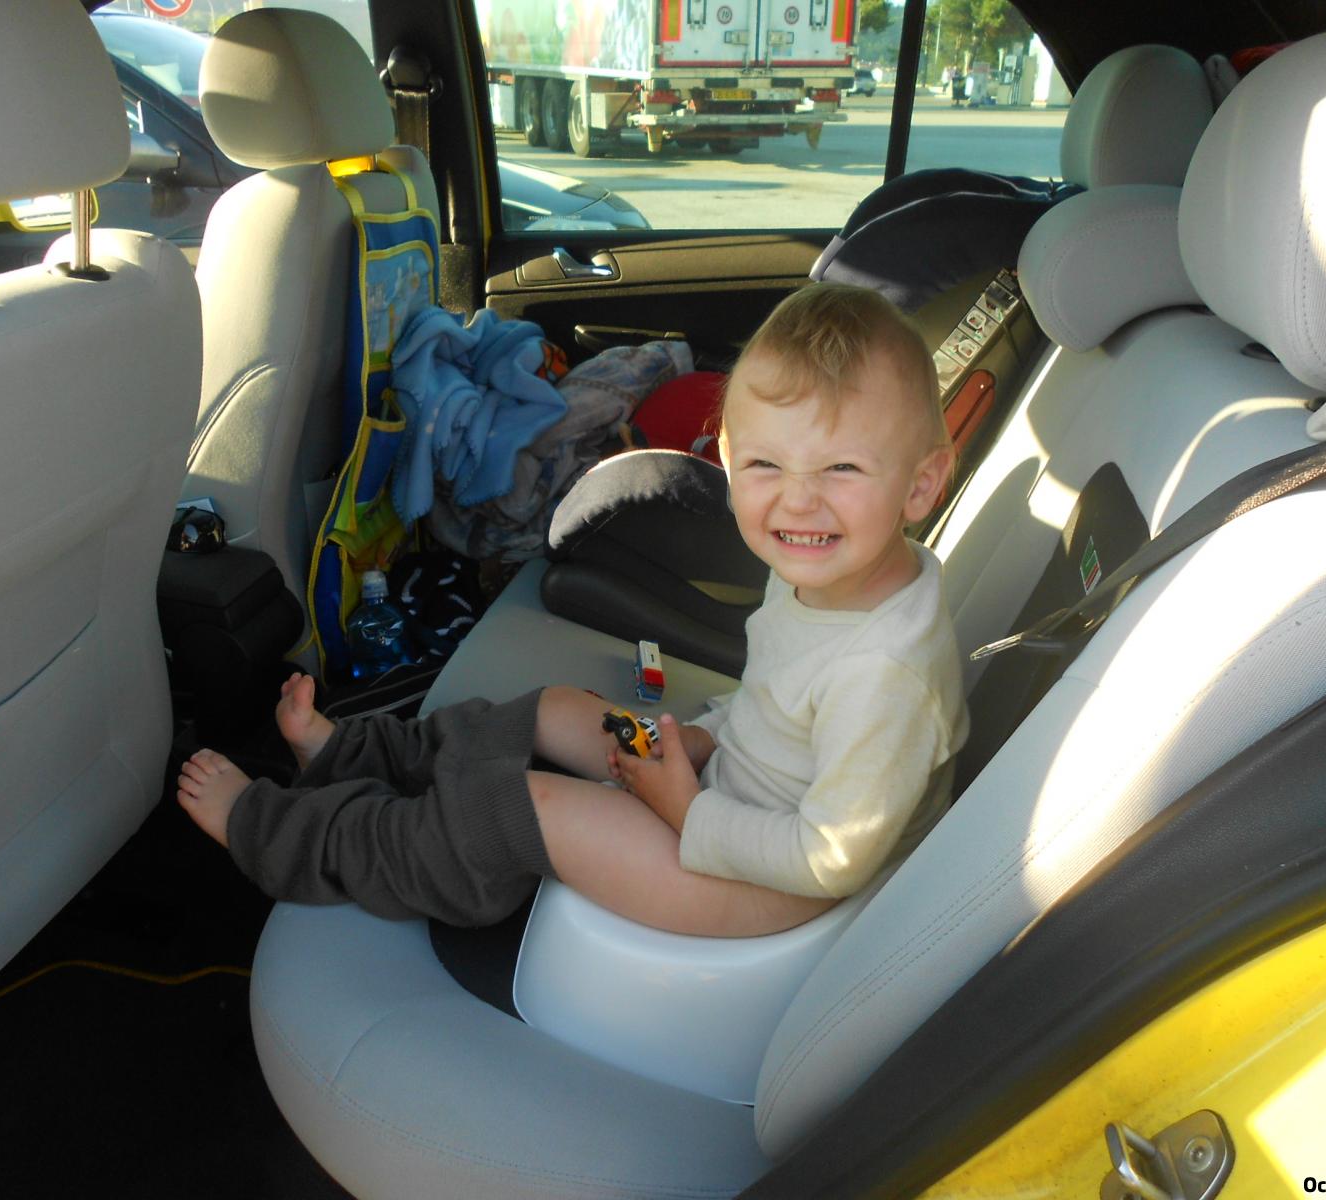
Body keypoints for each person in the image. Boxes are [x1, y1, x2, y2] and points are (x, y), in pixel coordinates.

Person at [176, 282, 969, 937]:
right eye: (766, 463)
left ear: (922, 485)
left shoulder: (886, 673)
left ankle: (277, 834)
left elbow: (828, 858)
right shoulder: (826, 569)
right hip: (729, 797)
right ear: (728, 458)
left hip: (767, 891)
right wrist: (704, 738)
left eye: (841, 468)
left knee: (518, 809)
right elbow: (779, 706)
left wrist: (685, 807)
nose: (797, 499)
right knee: (558, 708)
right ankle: (358, 756)